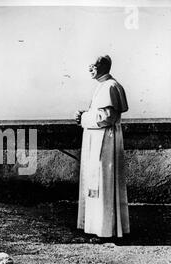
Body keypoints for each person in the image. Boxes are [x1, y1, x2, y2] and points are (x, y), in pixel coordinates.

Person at [75, 55, 130, 239]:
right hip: (100, 139)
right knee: (98, 183)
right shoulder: (105, 85)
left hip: (105, 142)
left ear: (103, 67)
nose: (90, 70)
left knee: (103, 182)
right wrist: (86, 114)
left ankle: (105, 230)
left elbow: (107, 117)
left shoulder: (110, 86)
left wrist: (83, 118)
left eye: (93, 66)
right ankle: (99, 228)